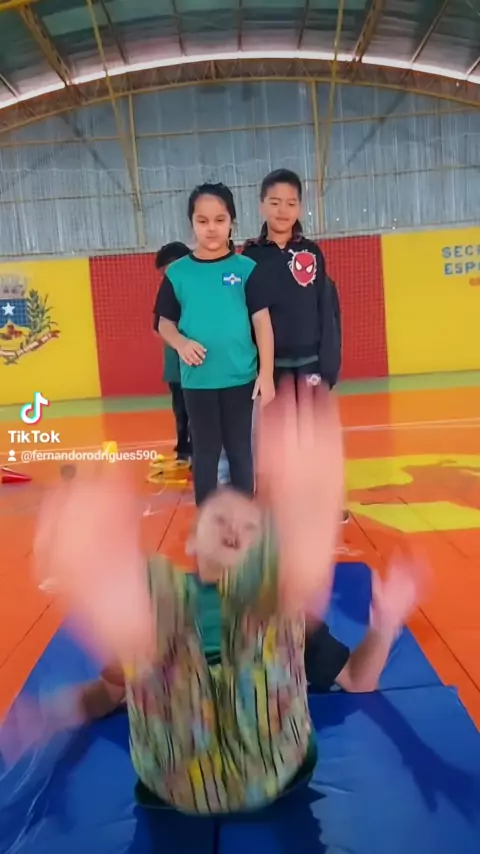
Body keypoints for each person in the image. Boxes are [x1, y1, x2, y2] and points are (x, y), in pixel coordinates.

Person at [155, 182, 275, 506]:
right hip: (198, 380)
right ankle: (208, 521)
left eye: (220, 220)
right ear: (192, 223)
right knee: (206, 451)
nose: (211, 228)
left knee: (240, 450)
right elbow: (164, 323)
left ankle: (244, 518)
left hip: (241, 377)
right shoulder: (178, 273)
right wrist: (181, 344)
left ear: (232, 222)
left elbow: (262, 323)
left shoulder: (246, 269)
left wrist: (266, 373)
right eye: (202, 220)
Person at [153, 242, 192, 461]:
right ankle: (184, 448)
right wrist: (177, 340)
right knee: (181, 409)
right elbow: (157, 326)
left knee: (198, 410)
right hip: (177, 366)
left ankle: (199, 448)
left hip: (199, 364)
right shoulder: (167, 292)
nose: (166, 277)